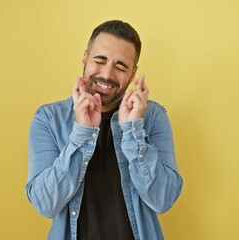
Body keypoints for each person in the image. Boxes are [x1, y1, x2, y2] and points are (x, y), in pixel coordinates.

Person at [26, 20, 183, 240]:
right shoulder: (48, 118)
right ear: (85, 58)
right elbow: (45, 204)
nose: (107, 75)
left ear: (133, 73)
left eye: (120, 67)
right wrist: (82, 131)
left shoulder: (153, 116)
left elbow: (163, 200)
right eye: (99, 60)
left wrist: (133, 130)